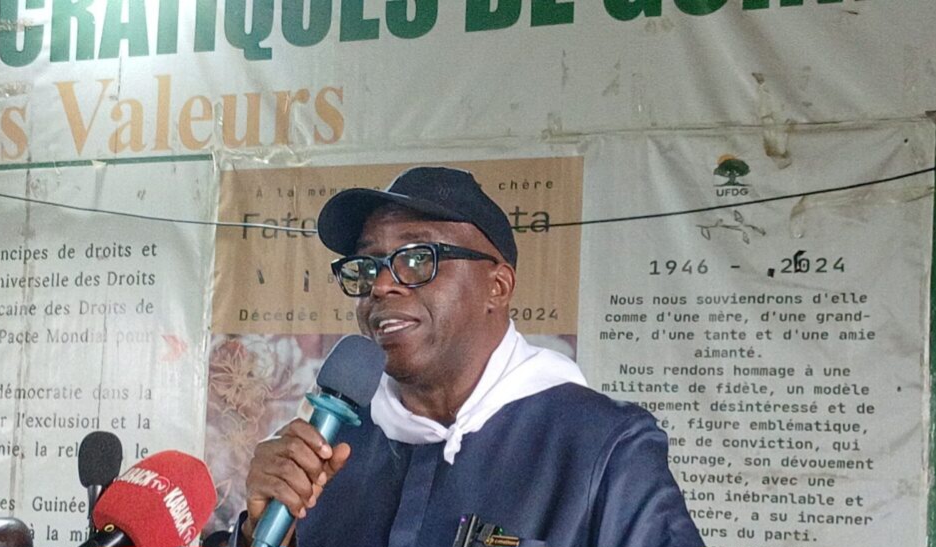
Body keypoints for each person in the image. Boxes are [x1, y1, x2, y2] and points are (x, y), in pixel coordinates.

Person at [235, 167, 703, 547]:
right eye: (368, 266)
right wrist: (262, 533)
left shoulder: (603, 446)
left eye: (417, 259)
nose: (381, 285)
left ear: (497, 287)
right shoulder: (329, 450)